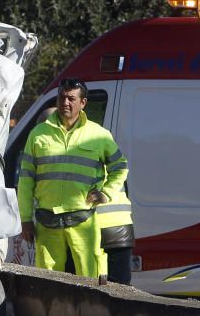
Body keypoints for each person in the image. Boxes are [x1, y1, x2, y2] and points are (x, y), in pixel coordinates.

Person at [17, 78, 124, 280]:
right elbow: (26, 179)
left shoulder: (99, 135)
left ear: (83, 103)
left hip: (82, 219)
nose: (65, 102)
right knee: (47, 281)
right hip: (47, 219)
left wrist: (106, 193)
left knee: (91, 279)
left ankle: (91, 311)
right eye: (61, 97)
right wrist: (24, 219)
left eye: (71, 98)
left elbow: (120, 167)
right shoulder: (38, 134)